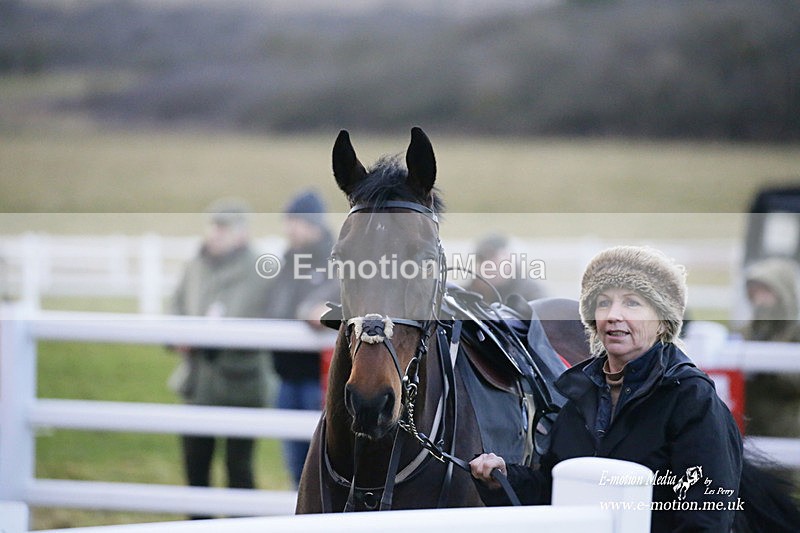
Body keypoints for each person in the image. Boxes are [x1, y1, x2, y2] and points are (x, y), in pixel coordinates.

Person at [470, 245, 743, 532]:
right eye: (603, 303)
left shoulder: (691, 398)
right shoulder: (579, 394)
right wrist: (504, 479)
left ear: (663, 321)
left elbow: (706, 518)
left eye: (632, 303)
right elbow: (554, 491)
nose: (613, 315)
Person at [169, 199, 271, 517]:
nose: (215, 233)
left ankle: (242, 525)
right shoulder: (195, 265)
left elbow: (267, 316)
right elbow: (175, 306)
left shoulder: (260, 269)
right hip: (197, 382)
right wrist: (177, 336)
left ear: (242, 233)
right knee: (195, 465)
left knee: (239, 467)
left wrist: (221, 336)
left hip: (241, 383)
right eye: (213, 226)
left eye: (223, 227)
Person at [264, 189, 338, 487]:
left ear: (313, 224)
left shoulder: (336, 261)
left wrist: (314, 310)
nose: (289, 228)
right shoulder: (288, 261)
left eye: (295, 221)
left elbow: (330, 300)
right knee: (296, 465)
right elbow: (274, 308)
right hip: (286, 375)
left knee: (319, 463)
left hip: (318, 378)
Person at [740, 257, 800, 438]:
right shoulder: (746, 332)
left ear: (783, 293)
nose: (759, 300)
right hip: (749, 429)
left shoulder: (795, 333)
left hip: (788, 429)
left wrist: (769, 368)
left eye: (765, 292)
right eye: (754, 293)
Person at [464, 233, 546, 304]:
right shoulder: (471, 290)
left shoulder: (530, 292)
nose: (486, 265)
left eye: (492, 256)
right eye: (481, 259)